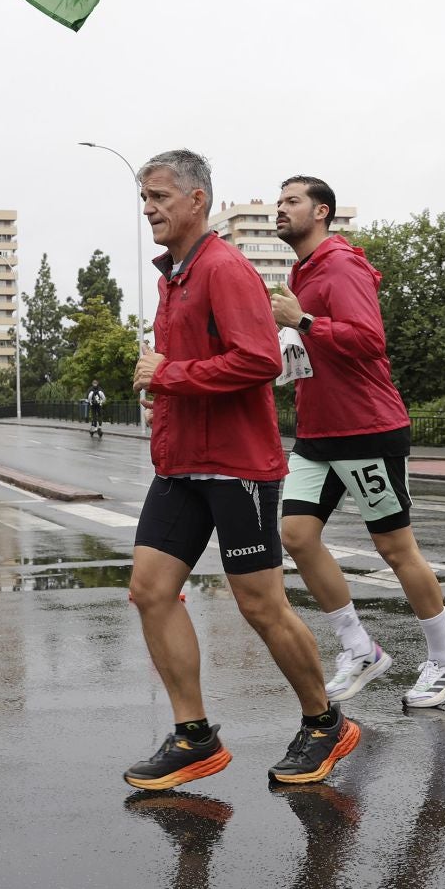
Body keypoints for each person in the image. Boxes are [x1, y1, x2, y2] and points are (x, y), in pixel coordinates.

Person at [123, 149, 358, 791]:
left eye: (160, 197)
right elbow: (191, 362)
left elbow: (260, 360)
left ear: (197, 200)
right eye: (144, 198)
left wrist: (168, 374)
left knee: (260, 604)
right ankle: (194, 736)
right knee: (148, 590)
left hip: (237, 467)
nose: (149, 209)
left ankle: (325, 723)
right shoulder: (175, 275)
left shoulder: (224, 268)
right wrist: (161, 385)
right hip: (179, 464)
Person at [268, 175, 445, 707]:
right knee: (295, 535)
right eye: (279, 201)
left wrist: (303, 320)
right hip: (317, 434)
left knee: (395, 549)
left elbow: (368, 340)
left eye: (291, 201)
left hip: (366, 429)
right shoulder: (302, 271)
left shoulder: (341, 264)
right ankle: (360, 649)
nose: (279, 209)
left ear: (322, 212)